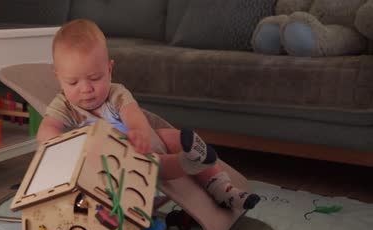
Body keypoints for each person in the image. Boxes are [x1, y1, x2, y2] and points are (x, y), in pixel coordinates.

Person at [37, 19, 260, 210]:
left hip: (139, 143)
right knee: (153, 162)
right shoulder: (64, 105)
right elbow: (47, 128)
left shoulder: (115, 93)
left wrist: (138, 131)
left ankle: (222, 188)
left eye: (95, 78)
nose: (86, 89)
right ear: (58, 78)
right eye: (73, 82)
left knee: (173, 136)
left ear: (110, 70)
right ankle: (187, 164)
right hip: (117, 164)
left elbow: (133, 114)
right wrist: (58, 144)